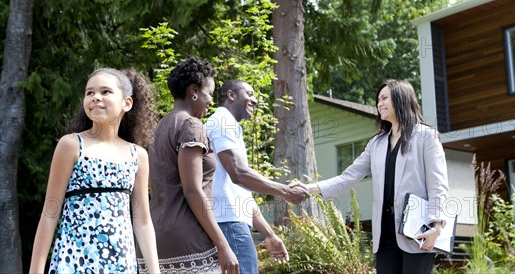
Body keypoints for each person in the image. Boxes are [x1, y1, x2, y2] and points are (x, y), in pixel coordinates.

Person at [301, 79, 449, 274]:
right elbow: (348, 177)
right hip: (384, 234)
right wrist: (310, 188)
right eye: (378, 99)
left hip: (418, 231)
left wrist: (436, 227)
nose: (379, 104)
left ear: (401, 99)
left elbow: (438, 184)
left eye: (384, 98)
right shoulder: (376, 144)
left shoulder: (426, 136)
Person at [29, 68, 160, 274]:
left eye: (105, 92)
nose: (95, 97)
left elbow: (142, 219)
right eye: (89, 92)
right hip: (73, 261)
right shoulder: (71, 145)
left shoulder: (138, 155)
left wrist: (155, 272)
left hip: (121, 264)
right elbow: (50, 211)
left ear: (127, 103)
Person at [137, 56, 239, 274]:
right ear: (194, 90)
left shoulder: (158, 128)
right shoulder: (191, 125)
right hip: (189, 241)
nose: (211, 101)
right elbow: (192, 191)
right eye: (209, 94)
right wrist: (223, 245)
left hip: (155, 239)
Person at [205, 79, 309, 274]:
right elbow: (239, 174)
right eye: (249, 94)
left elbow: (242, 192)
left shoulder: (229, 126)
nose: (255, 100)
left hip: (232, 223)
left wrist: (269, 235)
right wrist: (285, 191)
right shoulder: (222, 122)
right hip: (228, 223)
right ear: (231, 95)